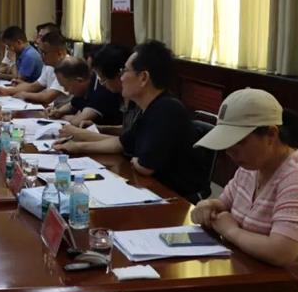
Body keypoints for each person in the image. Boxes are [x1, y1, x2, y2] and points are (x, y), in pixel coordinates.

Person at [191, 89, 298, 292]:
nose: (230, 152)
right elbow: (223, 203)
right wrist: (207, 207)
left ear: (271, 134)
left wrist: (230, 230)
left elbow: (281, 251)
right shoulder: (250, 167)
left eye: (239, 143)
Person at [116, 40, 207, 202]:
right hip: (155, 190)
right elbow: (121, 143)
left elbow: (146, 167)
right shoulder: (151, 107)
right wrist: (77, 144)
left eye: (125, 71)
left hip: (177, 199)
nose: (121, 78)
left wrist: (136, 161)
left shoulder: (167, 109)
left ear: (143, 78)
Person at [52, 44, 138, 155]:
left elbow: (128, 143)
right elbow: (129, 132)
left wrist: (81, 138)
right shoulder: (126, 96)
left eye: (102, 78)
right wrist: (101, 128)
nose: (101, 83)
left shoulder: (108, 93)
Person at [0, 30, 69, 105]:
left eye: (45, 53)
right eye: (41, 52)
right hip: (52, 108)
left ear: (59, 53)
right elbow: (34, 86)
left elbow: (46, 97)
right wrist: (6, 91)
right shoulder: (49, 65)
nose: (42, 57)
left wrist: (23, 94)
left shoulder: (67, 67)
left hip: (61, 110)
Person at [50, 56, 123, 127]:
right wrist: (58, 112)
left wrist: (65, 117)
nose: (65, 90)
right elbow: (72, 105)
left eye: (66, 87)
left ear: (79, 81)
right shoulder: (83, 87)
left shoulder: (102, 91)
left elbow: (76, 122)